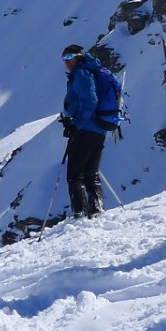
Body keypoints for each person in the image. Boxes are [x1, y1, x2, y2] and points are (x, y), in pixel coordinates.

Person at [60, 44, 123, 219]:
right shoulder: (87, 71)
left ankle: (79, 213)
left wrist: (76, 123)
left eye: (69, 57)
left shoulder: (81, 73)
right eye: (63, 59)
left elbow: (90, 100)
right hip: (98, 130)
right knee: (91, 172)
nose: (66, 62)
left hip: (85, 129)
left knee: (74, 175)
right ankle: (96, 210)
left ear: (79, 56)